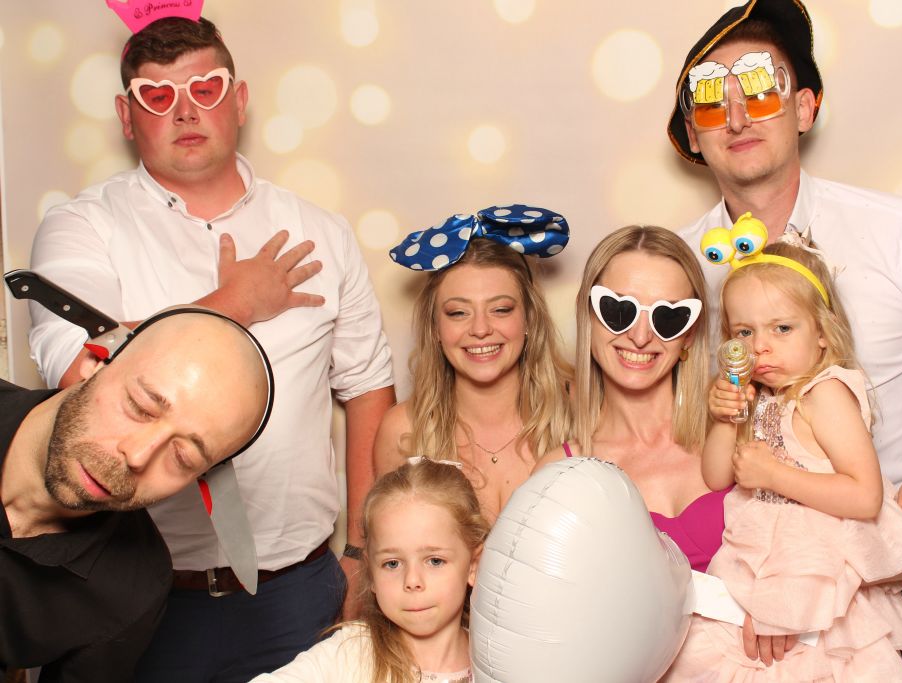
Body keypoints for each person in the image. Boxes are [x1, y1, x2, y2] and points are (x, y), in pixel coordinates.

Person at [27, 13, 395, 681]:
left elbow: (369, 387)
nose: (185, 111)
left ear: (239, 100)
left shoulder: (320, 232)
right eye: (157, 95)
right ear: (126, 115)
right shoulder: (81, 227)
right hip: (131, 594)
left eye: (205, 88)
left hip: (297, 593)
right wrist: (234, 304)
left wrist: (362, 553)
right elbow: (81, 374)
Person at [667, 1, 902, 676]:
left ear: (805, 107)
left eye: (760, 89)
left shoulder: (898, 230)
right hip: (741, 584)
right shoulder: (675, 268)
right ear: (693, 135)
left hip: (877, 582)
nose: (737, 117)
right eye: (711, 102)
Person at [666, 221, 902, 681]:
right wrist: (725, 417)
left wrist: (774, 475)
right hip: (758, 565)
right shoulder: (761, 396)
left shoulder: (825, 393)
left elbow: (865, 496)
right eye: (744, 332)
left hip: (820, 573)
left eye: (782, 328)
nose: (760, 346)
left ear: (823, 331)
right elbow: (716, 477)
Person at [1, 309, 272, 681]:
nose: (137, 455)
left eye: (183, 458)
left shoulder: (132, 591)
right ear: (95, 362)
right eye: (140, 407)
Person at [537, 225, 726, 574]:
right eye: (619, 310)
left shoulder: (738, 431)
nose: (640, 337)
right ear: (588, 316)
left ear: (689, 334)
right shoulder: (558, 474)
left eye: (668, 317)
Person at [374, 206, 572, 521]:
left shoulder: (581, 414)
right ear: (435, 328)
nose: (480, 329)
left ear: (529, 319)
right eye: (458, 312)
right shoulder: (402, 431)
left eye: (501, 309)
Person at [252, 457, 488, 683]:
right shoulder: (348, 654)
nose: (412, 580)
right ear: (372, 571)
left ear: (473, 565)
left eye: (435, 561)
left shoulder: (496, 662)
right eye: (392, 563)